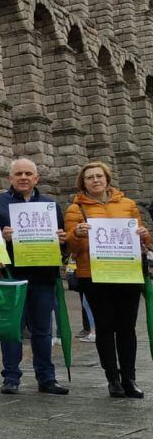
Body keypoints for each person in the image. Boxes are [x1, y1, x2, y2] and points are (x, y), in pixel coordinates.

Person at [64, 161, 150, 398]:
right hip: (94, 275)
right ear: (83, 183)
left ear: (107, 179)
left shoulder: (128, 204)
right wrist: (77, 234)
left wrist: (144, 235)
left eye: (99, 176)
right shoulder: (75, 209)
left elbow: (143, 240)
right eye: (89, 177)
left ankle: (129, 378)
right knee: (104, 327)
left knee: (127, 328)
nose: (95, 180)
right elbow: (72, 246)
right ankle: (112, 379)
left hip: (126, 274)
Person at [0, 158, 69, 395]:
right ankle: (11, 378)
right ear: (10, 178)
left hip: (43, 277)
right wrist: (1, 237)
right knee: (11, 329)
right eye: (18, 173)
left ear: (36, 178)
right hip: (11, 278)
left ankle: (47, 378)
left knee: (43, 330)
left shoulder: (51, 206)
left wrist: (63, 241)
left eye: (28, 174)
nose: (23, 177)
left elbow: (62, 247)